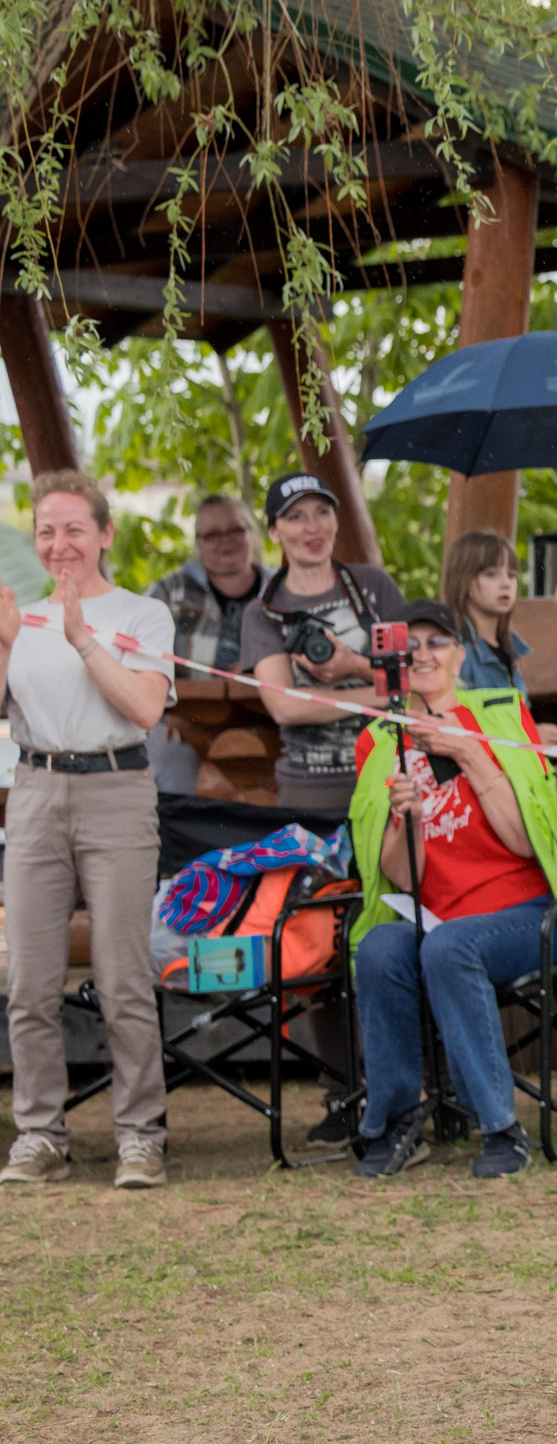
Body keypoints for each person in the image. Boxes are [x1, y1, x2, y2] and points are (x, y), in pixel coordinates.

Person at [344, 599, 557, 1179]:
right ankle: (397, 1119)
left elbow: (524, 843)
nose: (425, 655)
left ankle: (501, 1129)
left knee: (448, 947)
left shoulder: (504, 718)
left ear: (461, 653)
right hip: (438, 918)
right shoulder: (380, 740)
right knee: (381, 947)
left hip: (533, 913)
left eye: (438, 642)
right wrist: (405, 816)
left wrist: (468, 755)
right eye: (412, 647)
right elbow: (402, 875)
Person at [0, 473, 178, 1189]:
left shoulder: (144, 614)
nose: (59, 543)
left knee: (121, 974)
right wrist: (7, 644)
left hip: (116, 789)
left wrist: (83, 641)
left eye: (74, 529)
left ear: (104, 534)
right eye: (47, 530)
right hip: (37, 788)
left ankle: (140, 1135)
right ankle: (40, 1134)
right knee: (28, 979)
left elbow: (144, 706)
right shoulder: (24, 615)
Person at [239, 472, 405, 811]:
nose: (312, 527)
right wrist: (383, 693)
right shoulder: (262, 613)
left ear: (336, 521)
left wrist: (354, 667)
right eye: (296, 517)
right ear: (274, 532)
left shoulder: (375, 586)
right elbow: (285, 707)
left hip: (388, 773)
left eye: (322, 512)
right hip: (311, 786)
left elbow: (413, 678)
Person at [143, 492, 271, 794]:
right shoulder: (169, 591)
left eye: (235, 529)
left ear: (253, 534)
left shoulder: (282, 588)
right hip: (183, 719)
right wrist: (167, 710)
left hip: (270, 716)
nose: (224, 540)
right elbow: (137, 657)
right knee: (167, 761)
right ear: (198, 543)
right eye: (212, 534)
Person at [443, 529, 531, 692]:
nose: (506, 583)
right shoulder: (458, 652)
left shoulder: (511, 648)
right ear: (463, 579)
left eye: (512, 575)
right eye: (491, 574)